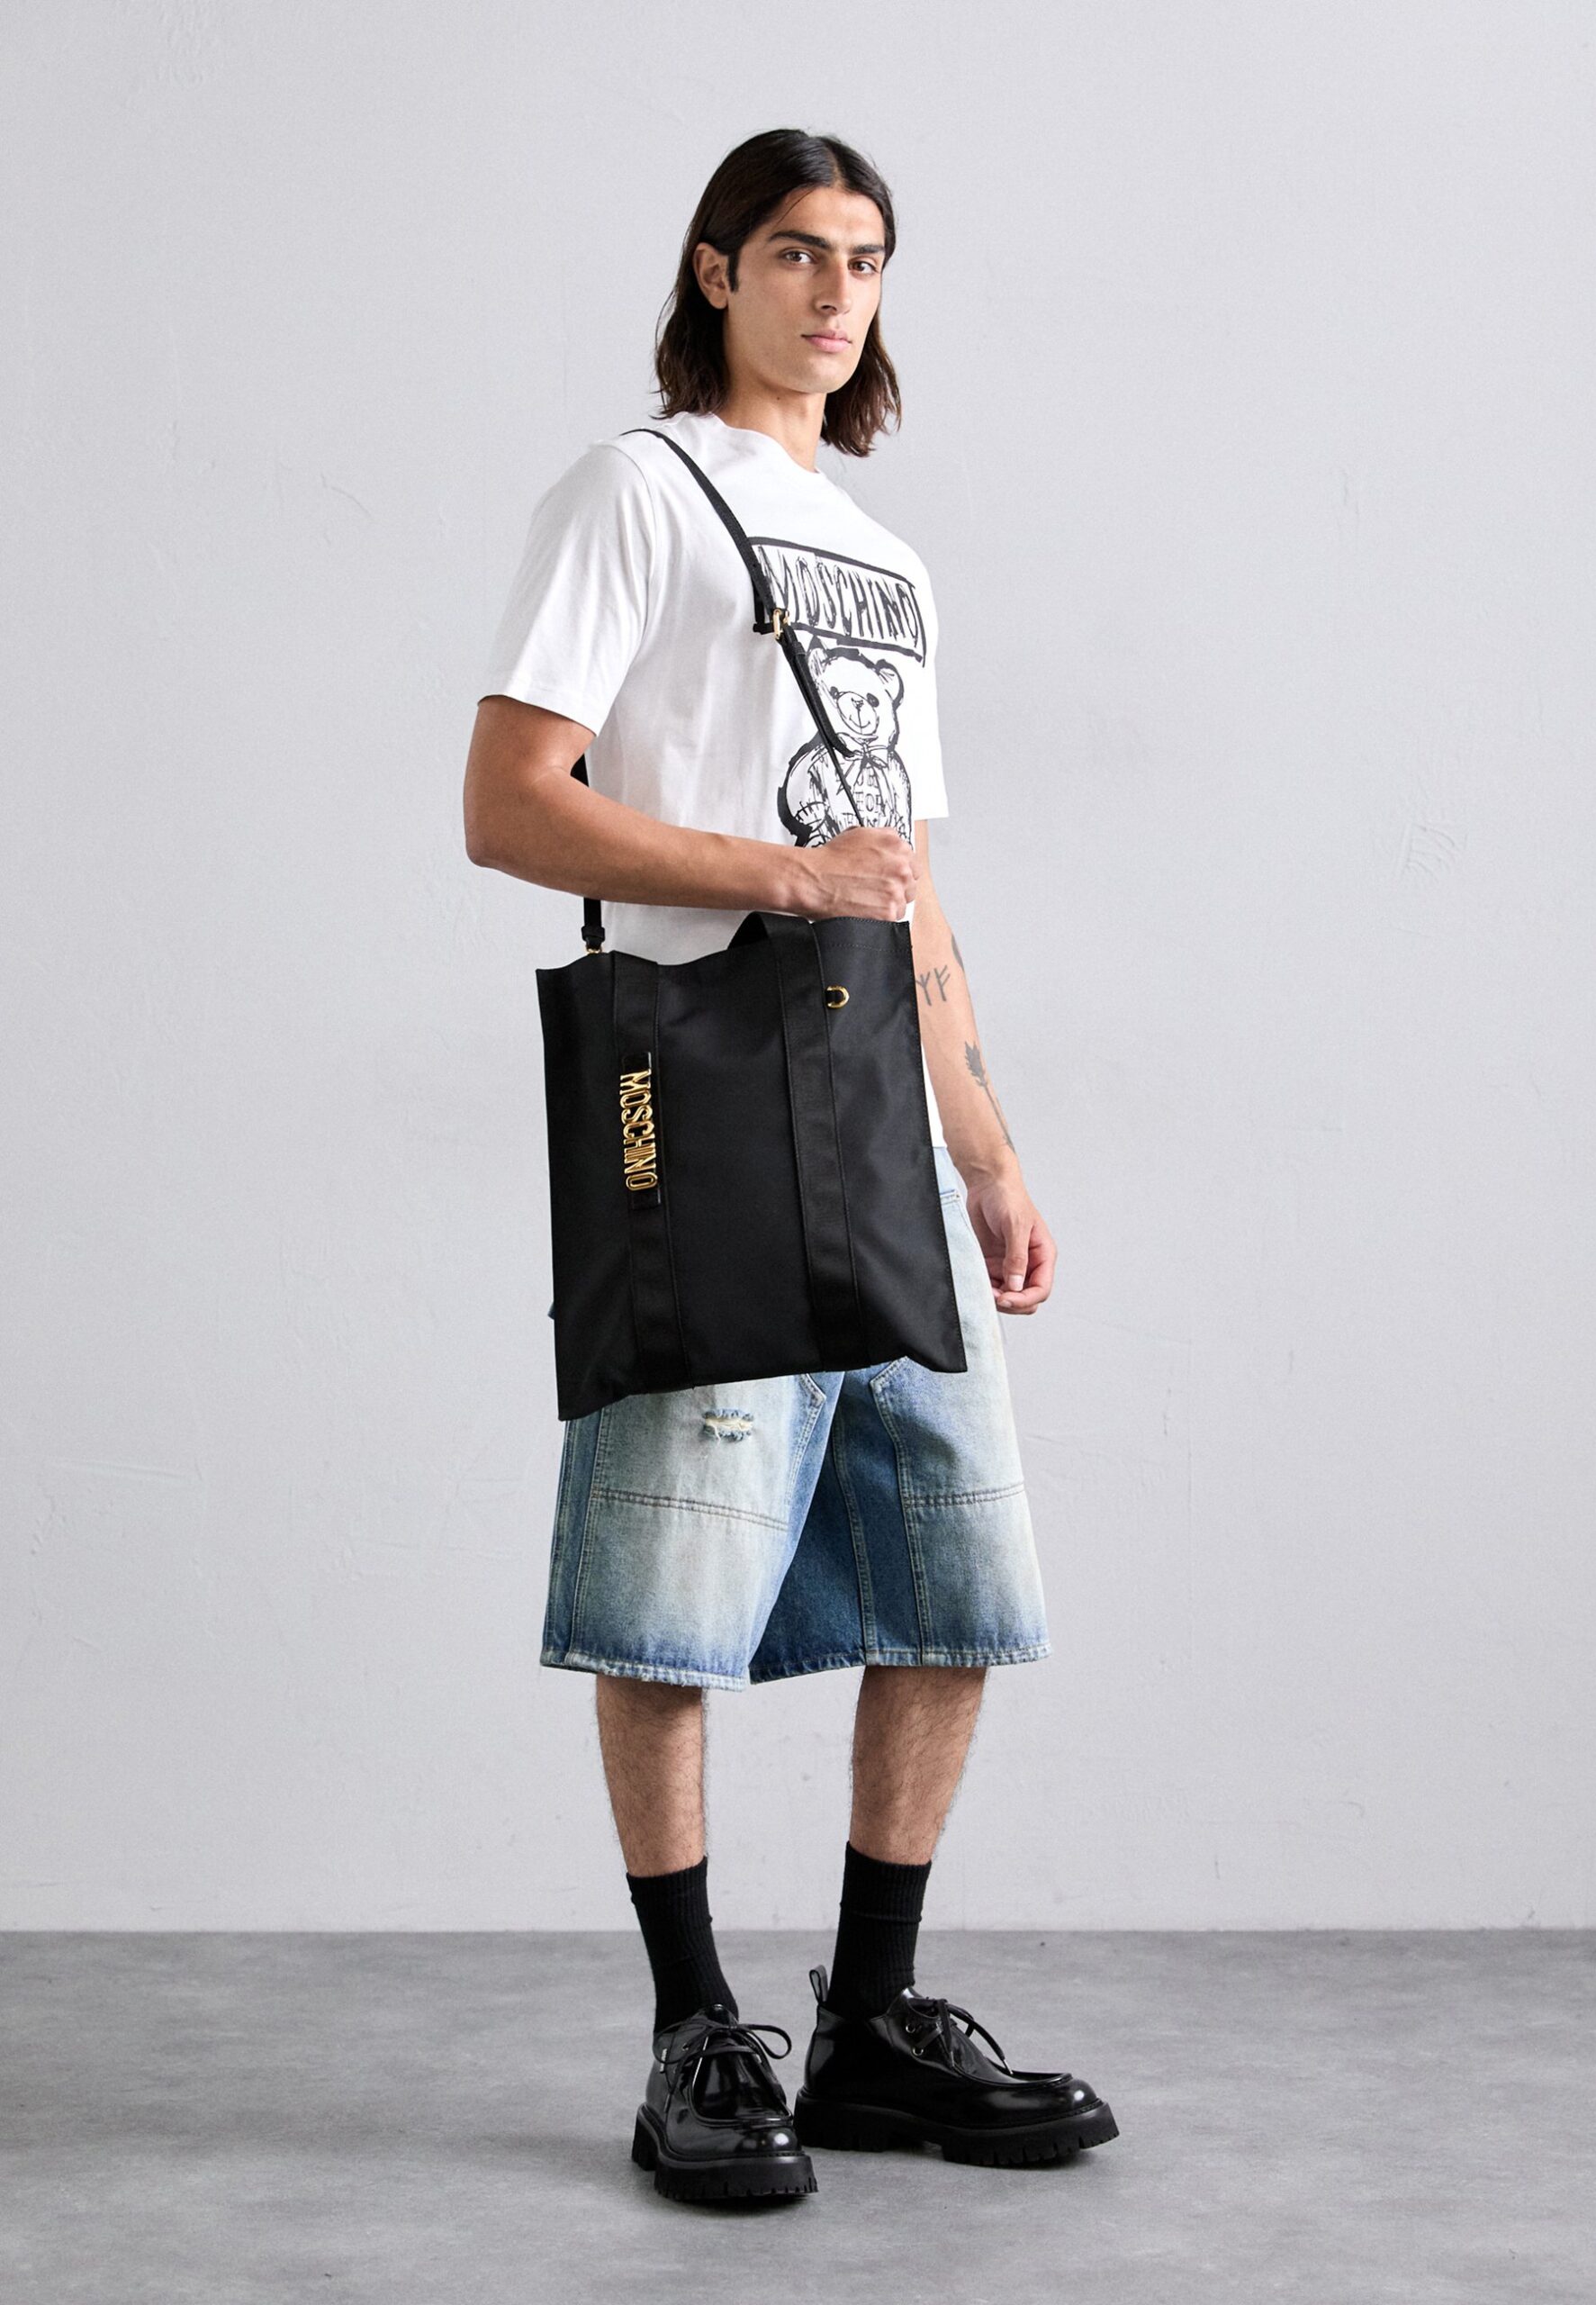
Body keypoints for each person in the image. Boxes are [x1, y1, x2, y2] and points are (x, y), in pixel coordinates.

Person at [463, 126, 1119, 2205]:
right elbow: (505, 800)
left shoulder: (890, 564)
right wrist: (773, 871)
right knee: (664, 1584)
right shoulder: (633, 492)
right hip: (704, 1081)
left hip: (876, 1104)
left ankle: (868, 2023)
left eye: (865, 259)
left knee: (954, 1575)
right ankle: (692, 2027)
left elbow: (906, 886)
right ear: (715, 270)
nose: (836, 292)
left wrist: (986, 1146)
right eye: (797, 253)